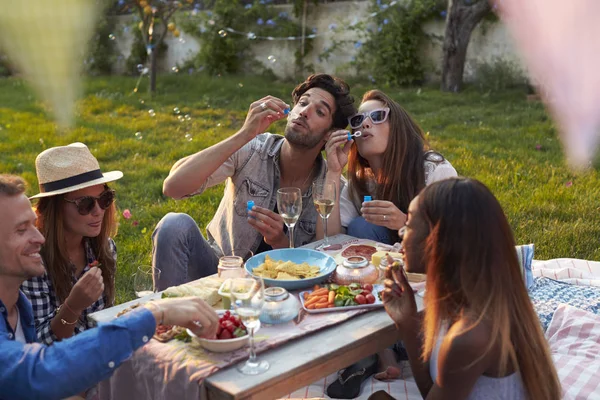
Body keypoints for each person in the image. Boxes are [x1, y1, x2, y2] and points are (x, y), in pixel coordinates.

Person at [0, 174, 219, 400]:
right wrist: (153, 313)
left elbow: (103, 320)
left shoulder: (20, 307)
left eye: (105, 199)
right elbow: (40, 370)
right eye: (21, 229)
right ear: (55, 209)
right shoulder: (34, 271)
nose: (39, 237)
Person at [153, 73, 356, 291]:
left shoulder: (332, 184)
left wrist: (281, 241)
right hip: (221, 273)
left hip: (284, 289)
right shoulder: (252, 150)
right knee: (174, 225)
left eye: (320, 111)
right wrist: (244, 134)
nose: (304, 112)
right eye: (303, 103)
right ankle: (165, 319)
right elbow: (173, 187)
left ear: (330, 134)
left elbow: (329, 255)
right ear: (289, 113)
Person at [377, 177, 560, 400]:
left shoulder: (471, 335)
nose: (401, 233)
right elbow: (435, 391)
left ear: (439, 240)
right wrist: (408, 323)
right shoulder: (468, 303)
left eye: (410, 223)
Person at [320, 89, 457, 245]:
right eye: (358, 120)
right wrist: (334, 171)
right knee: (362, 227)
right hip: (386, 263)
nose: (365, 124)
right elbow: (328, 241)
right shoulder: (360, 183)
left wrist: (405, 223)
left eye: (377, 116)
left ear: (397, 126)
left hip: (428, 264)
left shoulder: (434, 170)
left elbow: (456, 240)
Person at [21, 143, 120, 346]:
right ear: (55, 208)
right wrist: (73, 307)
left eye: (104, 198)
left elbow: (106, 317)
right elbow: (38, 343)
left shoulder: (105, 248)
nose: (98, 211)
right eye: (85, 204)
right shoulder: (32, 260)